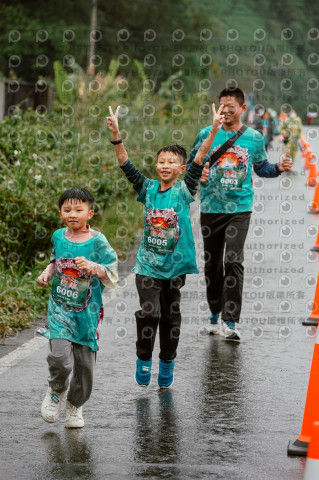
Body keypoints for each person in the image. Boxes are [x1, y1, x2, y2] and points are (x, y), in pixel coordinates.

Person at [106, 103, 224, 388]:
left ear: (180, 169)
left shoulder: (184, 190)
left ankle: (167, 361)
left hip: (175, 269)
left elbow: (198, 160)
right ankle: (144, 359)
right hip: (147, 266)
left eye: (171, 162)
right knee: (150, 313)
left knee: (171, 316)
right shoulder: (147, 189)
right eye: (161, 161)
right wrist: (116, 134)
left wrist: (215, 130)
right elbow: (126, 165)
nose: (165, 166)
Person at [188, 87, 292, 341]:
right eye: (221, 106)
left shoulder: (254, 138)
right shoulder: (206, 134)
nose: (225, 110)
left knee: (233, 261)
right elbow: (192, 164)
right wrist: (198, 172)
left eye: (230, 106)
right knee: (212, 266)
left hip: (240, 209)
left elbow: (262, 168)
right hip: (211, 208)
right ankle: (214, 313)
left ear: (242, 109)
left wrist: (277, 167)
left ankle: (231, 321)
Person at [37, 187, 118, 428]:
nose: (73, 214)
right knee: (60, 358)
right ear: (60, 214)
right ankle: (56, 389)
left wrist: (93, 267)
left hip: (88, 312)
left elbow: (112, 270)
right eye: (67, 209)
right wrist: (46, 273)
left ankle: (75, 404)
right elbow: (55, 260)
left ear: (90, 213)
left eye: (79, 209)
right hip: (60, 308)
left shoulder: (98, 241)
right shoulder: (58, 237)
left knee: (85, 367)